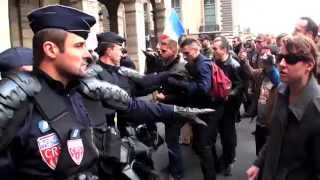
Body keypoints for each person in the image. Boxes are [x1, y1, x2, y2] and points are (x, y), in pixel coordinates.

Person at [0, 5, 213, 180]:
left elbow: (131, 106)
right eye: (79, 46)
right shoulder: (16, 108)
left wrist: (178, 111)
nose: (89, 55)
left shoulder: (84, 90)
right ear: (51, 49)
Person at [246, 34, 320, 180]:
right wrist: (259, 163)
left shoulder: (316, 110)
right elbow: (275, 136)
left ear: (309, 65)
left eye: (291, 59)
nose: (282, 64)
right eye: (280, 58)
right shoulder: (281, 91)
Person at [168, 38, 224, 180]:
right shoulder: (195, 63)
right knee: (204, 145)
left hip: (208, 110)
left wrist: (182, 84)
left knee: (203, 146)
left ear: (195, 49)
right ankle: (214, 169)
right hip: (203, 109)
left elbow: (203, 88)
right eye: (183, 54)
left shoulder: (202, 64)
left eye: (186, 53)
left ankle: (210, 176)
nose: (185, 56)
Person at [212, 36, 243, 176]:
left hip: (229, 106)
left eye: (215, 49)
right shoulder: (214, 63)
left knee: (228, 136)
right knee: (219, 134)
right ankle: (225, 157)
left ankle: (228, 160)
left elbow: (240, 85)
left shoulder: (234, 65)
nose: (212, 51)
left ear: (224, 49)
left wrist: (230, 94)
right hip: (216, 104)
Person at [239, 51, 280, 155]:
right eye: (262, 61)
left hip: (269, 119)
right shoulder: (263, 72)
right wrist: (245, 62)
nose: (261, 63)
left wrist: (270, 119)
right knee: (260, 145)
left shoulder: (276, 76)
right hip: (261, 117)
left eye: (264, 62)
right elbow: (252, 73)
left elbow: (275, 101)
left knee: (267, 148)